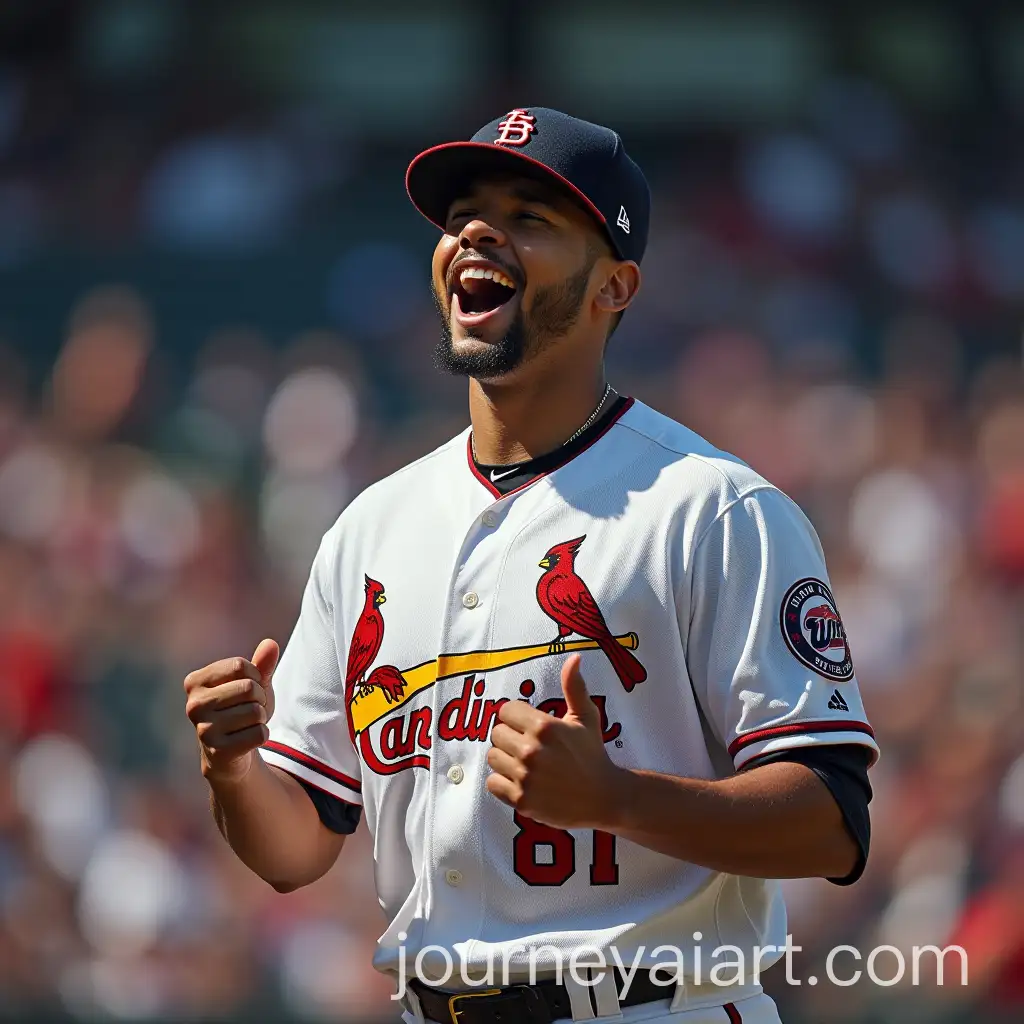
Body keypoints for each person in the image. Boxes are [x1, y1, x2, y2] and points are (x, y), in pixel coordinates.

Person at [183, 107, 877, 1024]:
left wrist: (618, 799)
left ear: (614, 287)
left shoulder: (714, 510)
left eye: (529, 217)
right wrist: (233, 769)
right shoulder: (371, 528)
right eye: (463, 212)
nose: (476, 231)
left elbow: (832, 820)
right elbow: (297, 847)